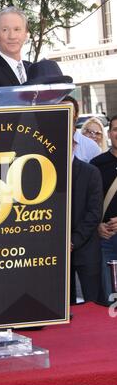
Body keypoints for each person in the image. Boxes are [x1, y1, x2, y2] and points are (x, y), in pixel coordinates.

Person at [71, 143, 103, 304]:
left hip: (87, 249)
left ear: (74, 145)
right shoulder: (45, 171)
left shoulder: (91, 172)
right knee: (63, 307)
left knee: (93, 305)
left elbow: (94, 212)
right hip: (57, 255)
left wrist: (73, 241)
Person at [90, 115, 117, 305]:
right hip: (105, 238)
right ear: (109, 134)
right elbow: (89, 202)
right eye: (115, 129)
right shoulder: (97, 164)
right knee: (109, 297)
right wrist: (97, 225)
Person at [62, 96, 101, 163]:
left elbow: (96, 172)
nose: (65, 115)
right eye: (61, 111)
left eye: (69, 111)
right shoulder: (47, 143)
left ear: (76, 116)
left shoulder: (91, 147)